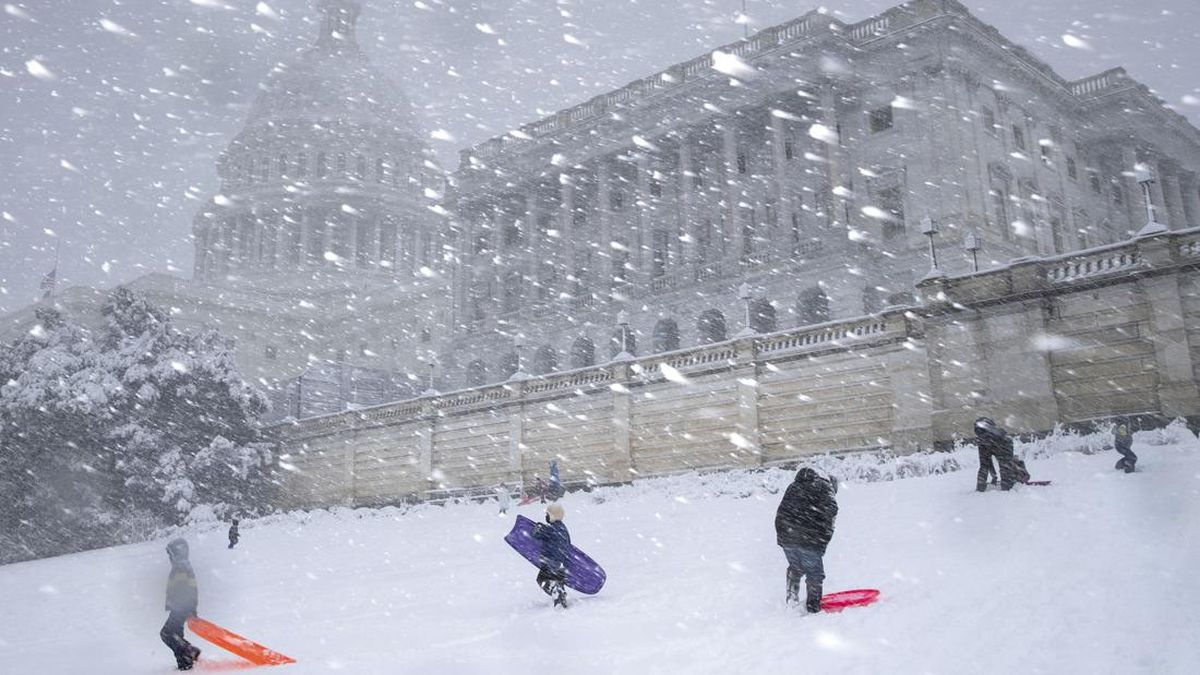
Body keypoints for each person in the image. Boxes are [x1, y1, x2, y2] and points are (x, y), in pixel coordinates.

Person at [774, 467, 838, 613]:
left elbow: (781, 513)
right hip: (809, 538)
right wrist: (820, 545)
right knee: (815, 573)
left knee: (795, 567)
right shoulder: (827, 489)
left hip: (786, 535)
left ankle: (791, 600)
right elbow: (829, 521)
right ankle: (813, 609)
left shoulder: (794, 486)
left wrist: (784, 538)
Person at [161, 538, 201, 670]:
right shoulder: (183, 566)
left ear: (177, 552)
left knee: (167, 633)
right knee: (176, 635)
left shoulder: (180, 567)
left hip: (180, 608)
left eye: (170, 554)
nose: (169, 557)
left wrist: (188, 607)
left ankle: (190, 652)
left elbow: (189, 590)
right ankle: (184, 664)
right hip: (180, 607)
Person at [532, 502, 571, 608]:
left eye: (547, 515)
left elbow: (537, 533)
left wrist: (538, 527)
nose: (546, 517)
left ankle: (557, 592)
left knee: (542, 579)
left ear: (553, 516)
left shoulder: (550, 528)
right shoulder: (563, 528)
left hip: (551, 563)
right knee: (557, 580)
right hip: (561, 564)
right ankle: (560, 599)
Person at [974, 417, 1018, 491]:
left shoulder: (1002, 439)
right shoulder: (983, 441)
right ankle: (1007, 484)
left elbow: (1005, 465)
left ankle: (1009, 484)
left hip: (1002, 444)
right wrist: (980, 487)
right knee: (985, 466)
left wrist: (1006, 484)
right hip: (989, 444)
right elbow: (984, 466)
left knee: (1005, 465)